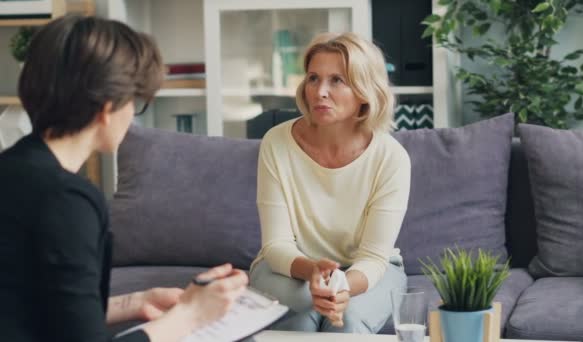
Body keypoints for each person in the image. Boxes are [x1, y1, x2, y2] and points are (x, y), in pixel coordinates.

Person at [0, 15, 248, 342]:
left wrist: (137, 301)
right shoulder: (67, 200)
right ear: (106, 109)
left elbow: (32, 306)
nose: (132, 115)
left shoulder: (11, 168)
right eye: (133, 101)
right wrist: (191, 316)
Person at [249, 32, 411, 334]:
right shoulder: (277, 143)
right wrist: (314, 273)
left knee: (345, 320)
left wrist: (340, 286)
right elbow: (275, 245)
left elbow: (374, 258)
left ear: (365, 90)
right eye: (313, 78)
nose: (320, 91)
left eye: (337, 80)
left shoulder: (391, 157)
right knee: (304, 311)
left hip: (369, 271)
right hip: (290, 267)